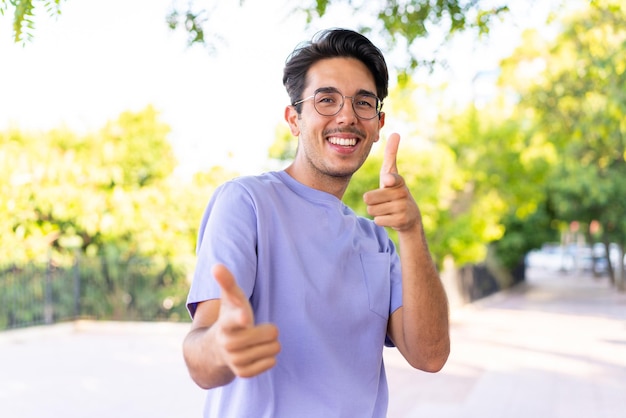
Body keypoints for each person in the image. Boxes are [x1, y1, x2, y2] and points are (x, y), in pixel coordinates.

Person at [182, 28, 450, 417]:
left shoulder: (377, 242)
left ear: (378, 124)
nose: (346, 116)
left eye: (363, 102)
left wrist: (410, 232)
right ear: (294, 119)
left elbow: (430, 356)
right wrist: (221, 346)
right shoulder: (247, 203)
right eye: (326, 100)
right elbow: (200, 359)